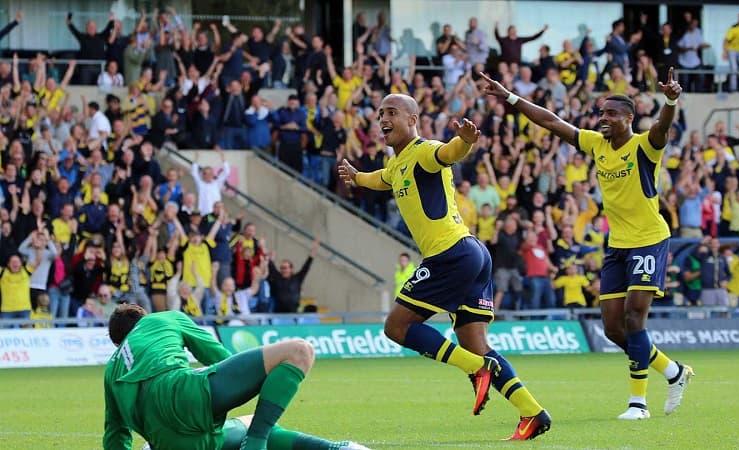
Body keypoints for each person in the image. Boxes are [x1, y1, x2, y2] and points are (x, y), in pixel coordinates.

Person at [481, 67, 693, 420]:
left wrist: (671, 99)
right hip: (618, 244)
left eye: (610, 113)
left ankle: (638, 404)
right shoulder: (596, 143)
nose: (603, 119)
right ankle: (673, 371)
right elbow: (551, 122)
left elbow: (662, 126)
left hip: (649, 240)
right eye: (601, 113)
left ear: (629, 117)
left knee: (634, 318)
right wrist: (510, 97)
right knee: (612, 328)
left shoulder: (645, 146)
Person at [338, 93, 550, 440]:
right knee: (474, 341)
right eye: (380, 114)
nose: (383, 119)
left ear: (413, 119)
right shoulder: (397, 165)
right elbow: (380, 178)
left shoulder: (424, 151)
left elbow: (447, 153)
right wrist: (357, 177)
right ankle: (532, 412)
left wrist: (464, 142)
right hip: (471, 253)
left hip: (450, 254)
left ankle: (476, 369)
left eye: (392, 113)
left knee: (396, 326)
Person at [102, 304, 371, 450]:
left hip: (165, 440)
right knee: (299, 352)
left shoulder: (111, 369)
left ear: (118, 343)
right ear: (142, 319)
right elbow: (219, 357)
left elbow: (115, 436)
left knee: (251, 423)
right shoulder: (161, 319)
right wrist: (256, 383)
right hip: (180, 393)